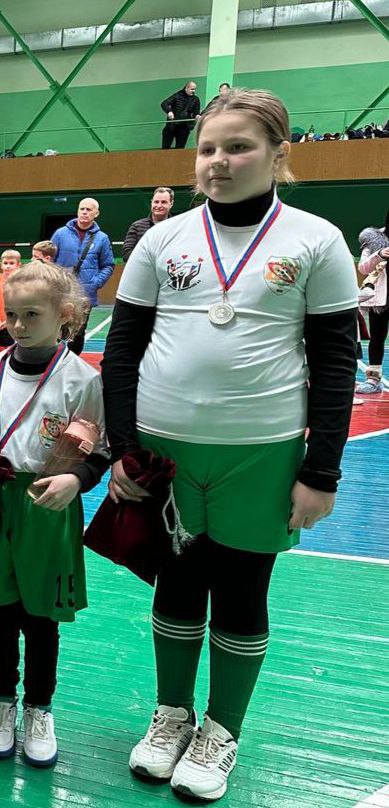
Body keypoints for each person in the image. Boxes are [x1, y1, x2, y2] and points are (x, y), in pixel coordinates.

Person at [103, 89, 356, 802]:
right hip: (166, 452)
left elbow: (334, 362)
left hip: (261, 452)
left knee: (242, 590)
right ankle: (171, 716)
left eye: (238, 146)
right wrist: (122, 449)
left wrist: (321, 471)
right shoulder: (161, 240)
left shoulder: (316, 240)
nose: (218, 161)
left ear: (278, 154)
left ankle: (221, 730)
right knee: (177, 585)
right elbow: (121, 352)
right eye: (208, 148)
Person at [0, 261, 108, 767]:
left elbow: (98, 451)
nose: (18, 325)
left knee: (42, 617)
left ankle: (39, 708)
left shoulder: (82, 380)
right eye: (11, 314)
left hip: (48, 503)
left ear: (65, 315)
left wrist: (76, 480)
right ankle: (1, 701)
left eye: (32, 314)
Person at [50, 198, 114, 354]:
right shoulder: (60, 234)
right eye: (82, 209)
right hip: (62, 292)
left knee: (78, 333)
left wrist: (95, 282)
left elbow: (108, 265)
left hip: (85, 295)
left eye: (89, 210)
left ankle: (73, 363)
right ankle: (53, 362)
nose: (84, 212)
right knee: (55, 328)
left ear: (96, 213)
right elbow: (49, 260)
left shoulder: (102, 238)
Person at [356, 209, 388, 393]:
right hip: (380, 299)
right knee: (377, 337)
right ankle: (373, 380)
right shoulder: (374, 239)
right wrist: (380, 254)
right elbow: (363, 268)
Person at [122, 188, 175, 264]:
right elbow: (126, 254)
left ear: (171, 204)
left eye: (164, 202)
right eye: (156, 202)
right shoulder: (137, 226)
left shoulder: (177, 226)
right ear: (151, 202)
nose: (159, 205)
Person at [161, 81, 202, 149]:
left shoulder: (196, 99)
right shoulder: (177, 95)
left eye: (195, 89)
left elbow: (196, 112)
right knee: (165, 147)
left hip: (184, 126)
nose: (194, 91)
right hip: (172, 125)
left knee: (180, 149)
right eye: (192, 89)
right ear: (186, 88)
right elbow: (164, 103)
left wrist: (197, 116)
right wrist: (169, 111)